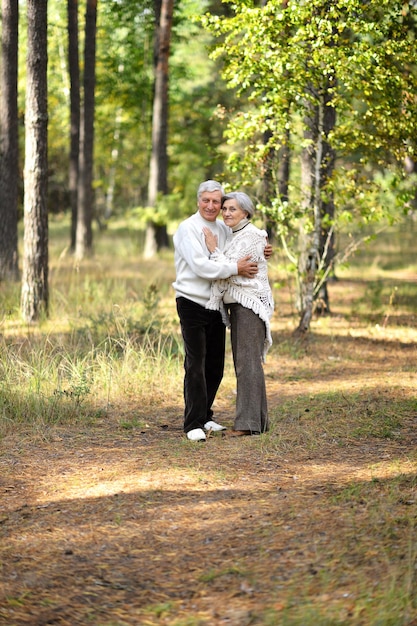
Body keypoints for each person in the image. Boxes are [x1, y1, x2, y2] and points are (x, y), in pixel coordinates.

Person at [173, 180, 260, 442]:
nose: (211, 206)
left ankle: (206, 415)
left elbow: (243, 243)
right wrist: (235, 268)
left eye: (216, 202)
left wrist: (262, 248)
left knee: (215, 367)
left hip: (216, 303)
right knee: (196, 364)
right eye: (206, 201)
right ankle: (192, 423)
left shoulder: (223, 228)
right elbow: (201, 267)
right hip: (191, 301)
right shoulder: (187, 229)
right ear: (198, 201)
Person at [203, 191, 274, 436]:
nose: (226, 213)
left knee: (247, 364)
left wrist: (213, 249)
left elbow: (227, 267)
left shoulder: (252, 235)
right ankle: (258, 422)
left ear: (245, 212)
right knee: (247, 363)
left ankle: (246, 424)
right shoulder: (235, 235)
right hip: (239, 307)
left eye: (232, 209)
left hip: (249, 306)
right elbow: (232, 266)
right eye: (225, 209)